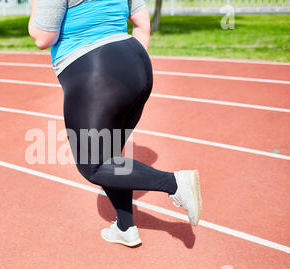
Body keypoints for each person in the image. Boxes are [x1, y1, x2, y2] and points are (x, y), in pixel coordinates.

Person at [28, 0, 202, 247]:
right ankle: (125, 226)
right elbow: (142, 23)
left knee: (94, 166)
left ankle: (174, 183)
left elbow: (42, 37)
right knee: (111, 156)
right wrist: (124, 65)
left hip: (95, 69)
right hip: (135, 60)